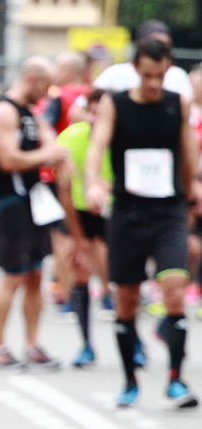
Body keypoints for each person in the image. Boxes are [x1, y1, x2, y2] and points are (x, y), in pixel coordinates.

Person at [87, 36, 199, 409]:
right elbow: (97, 146)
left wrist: (193, 188)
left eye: (160, 75)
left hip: (167, 210)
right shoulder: (114, 105)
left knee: (173, 288)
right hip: (128, 212)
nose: (154, 83)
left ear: (168, 70)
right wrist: (93, 182)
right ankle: (130, 380)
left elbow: (187, 151)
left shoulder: (176, 104)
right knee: (127, 300)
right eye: (147, 75)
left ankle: (176, 381)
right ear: (136, 70)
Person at [0, 56, 70, 371]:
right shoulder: (3, 111)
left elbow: (50, 140)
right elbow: (9, 159)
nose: (47, 94)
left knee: (35, 275)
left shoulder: (32, 113)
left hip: (35, 200)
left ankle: (32, 344)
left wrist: (56, 152)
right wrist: (48, 154)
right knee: (13, 275)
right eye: (45, 86)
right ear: (32, 80)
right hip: (11, 201)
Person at [55, 87, 112, 369]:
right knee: (79, 268)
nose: (93, 117)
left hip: (118, 212)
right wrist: (77, 239)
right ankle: (86, 344)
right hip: (81, 210)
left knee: (120, 276)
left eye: (99, 112)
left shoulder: (125, 137)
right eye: (90, 111)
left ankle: (133, 340)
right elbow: (64, 189)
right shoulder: (72, 137)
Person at [94, 20, 194, 106]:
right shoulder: (115, 73)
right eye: (147, 75)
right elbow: (87, 103)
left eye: (164, 46)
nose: (153, 84)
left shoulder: (178, 76)